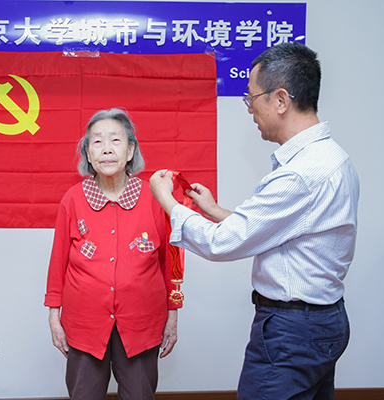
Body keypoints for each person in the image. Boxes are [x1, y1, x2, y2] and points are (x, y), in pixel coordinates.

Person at [150, 42, 359, 399]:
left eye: (251, 98)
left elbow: (221, 244)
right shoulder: (333, 158)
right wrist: (215, 211)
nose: (249, 109)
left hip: (293, 331)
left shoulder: (300, 175)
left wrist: (168, 202)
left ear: (280, 100)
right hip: (323, 320)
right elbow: (286, 230)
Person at [45, 108, 181, 400]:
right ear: (88, 153)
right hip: (84, 324)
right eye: (97, 142)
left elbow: (169, 262)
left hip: (142, 323)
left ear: (130, 150)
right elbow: (58, 262)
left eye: (116, 140)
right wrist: (54, 315)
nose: (107, 149)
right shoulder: (72, 199)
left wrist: (173, 314)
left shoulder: (155, 197)